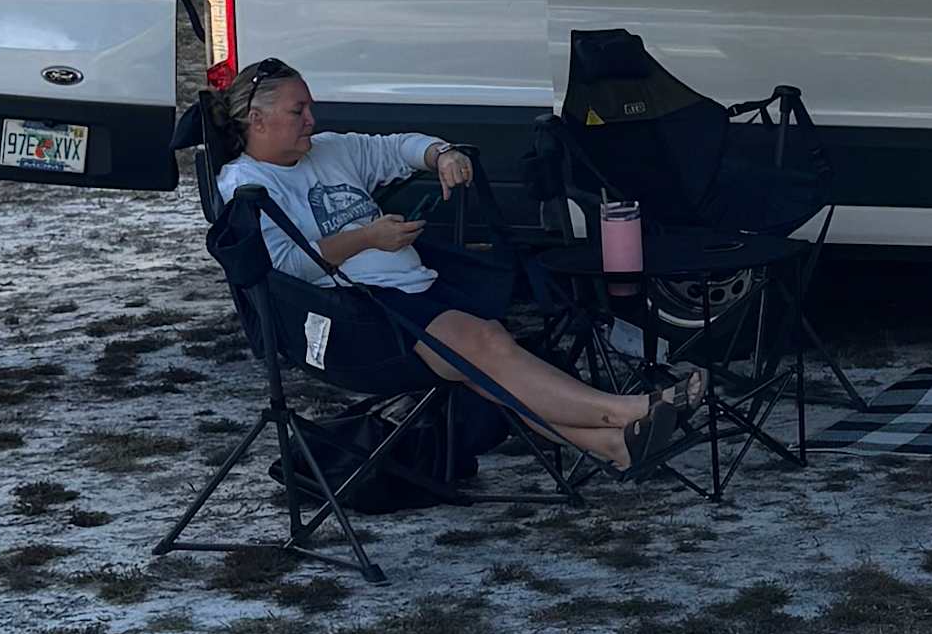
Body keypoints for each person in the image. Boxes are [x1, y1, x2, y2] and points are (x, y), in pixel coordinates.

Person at [211, 61, 695, 480]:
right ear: (258, 119)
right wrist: (366, 238)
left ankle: (611, 447)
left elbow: (398, 147)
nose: (311, 120)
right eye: (298, 111)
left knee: (485, 361)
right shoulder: (247, 185)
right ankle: (624, 412)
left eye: (309, 108)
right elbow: (283, 271)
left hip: (408, 294)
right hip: (354, 321)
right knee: (485, 344)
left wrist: (442, 154)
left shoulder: (330, 150)